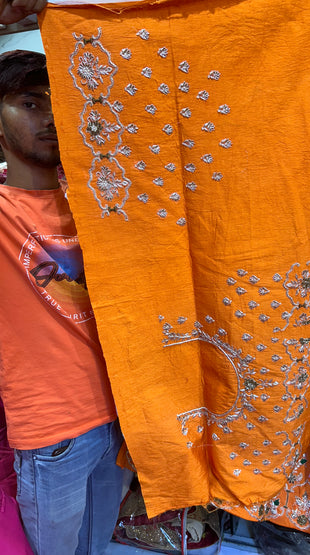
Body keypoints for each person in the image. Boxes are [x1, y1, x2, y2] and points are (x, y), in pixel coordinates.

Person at [0, 49, 124, 554]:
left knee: (95, 548)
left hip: (120, 417)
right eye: (30, 103)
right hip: (53, 431)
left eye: (58, 102)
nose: (50, 116)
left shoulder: (102, 202)